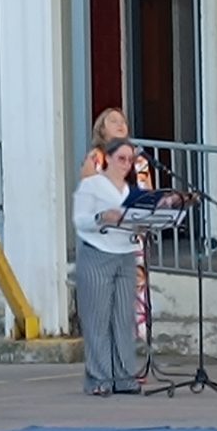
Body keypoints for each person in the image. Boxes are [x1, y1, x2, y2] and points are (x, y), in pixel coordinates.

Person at [72, 137, 144, 396]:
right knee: (97, 319)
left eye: (130, 160)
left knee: (123, 318)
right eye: (121, 158)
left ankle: (124, 376)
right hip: (97, 252)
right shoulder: (92, 185)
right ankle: (98, 378)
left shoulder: (131, 190)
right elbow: (80, 220)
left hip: (125, 253)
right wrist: (102, 217)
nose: (126, 164)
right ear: (108, 158)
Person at [81, 108, 154, 340]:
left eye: (123, 121)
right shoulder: (96, 157)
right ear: (102, 130)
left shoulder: (138, 160)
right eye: (113, 121)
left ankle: (136, 343)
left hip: (132, 235)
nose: (120, 124)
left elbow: (147, 194)